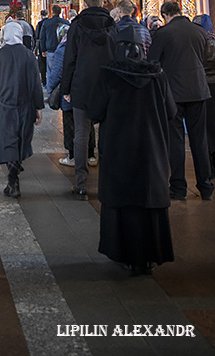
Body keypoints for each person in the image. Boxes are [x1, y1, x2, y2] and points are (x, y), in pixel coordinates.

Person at [90, 27, 176, 275]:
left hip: (119, 150)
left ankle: (123, 253)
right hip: (151, 150)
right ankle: (149, 256)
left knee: (122, 203)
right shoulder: (158, 76)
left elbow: (95, 111)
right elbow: (170, 112)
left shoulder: (108, 76)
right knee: (148, 202)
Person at [148, 1, 214, 201]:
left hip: (173, 94)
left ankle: (178, 187)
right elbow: (205, 58)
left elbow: (152, 62)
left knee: (175, 141)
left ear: (165, 15)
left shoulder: (163, 33)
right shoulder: (199, 31)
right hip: (198, 90)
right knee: (199, 139)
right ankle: (206, 186)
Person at [61, 0, 116, 200]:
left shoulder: (77, 25)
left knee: (81, 135)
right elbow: (117, 54)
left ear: (84, 3)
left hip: (82, 85)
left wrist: (65, 88)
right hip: (108, 84)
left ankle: (82, 184)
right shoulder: (112, 25)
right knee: (108, 134)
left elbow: (70, 58)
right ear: (102, 2)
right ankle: (109, 184)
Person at [0, 21, 44, 198]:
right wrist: (39, 106)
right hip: (26, 104)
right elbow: (36, 83)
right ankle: (14, 175)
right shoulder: (28, 55)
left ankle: (13, 180)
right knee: (21, 139)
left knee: (8, 140)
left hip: (5, 105)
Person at [47, 23, 96, 167]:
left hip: (69, 91)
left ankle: (73, 156)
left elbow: (57, 73)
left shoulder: (62, 49)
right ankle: (91, 155)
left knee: (70, 124)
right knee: (88, 123)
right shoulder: (85, 45)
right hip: (85, 90)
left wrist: (50, 89)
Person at [193, 15, 215, 175]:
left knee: (205, 129)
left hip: (202, 87)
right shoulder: (212, 40)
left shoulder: (197, 41)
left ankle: (208, 167)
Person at [38, 5, 68, 86]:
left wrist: (43, 50)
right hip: (63, 50)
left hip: (50, 50)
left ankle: (50, 93)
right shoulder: (66, 22)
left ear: (52, 12)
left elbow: (42, 37)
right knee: (63, 72)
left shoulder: (47, 23)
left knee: (51, 73)